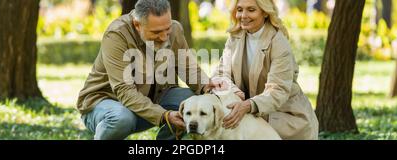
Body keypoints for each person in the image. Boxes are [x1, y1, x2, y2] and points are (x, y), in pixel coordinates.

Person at [76, 0, 216, 140]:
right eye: (156, 32)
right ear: (137, 25)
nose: (164, 37)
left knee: (193, 102)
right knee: (121, 118)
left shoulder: (175, 29)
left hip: (152, 100)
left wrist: (207, 88)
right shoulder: (116, 35)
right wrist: (164, 116)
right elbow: (124, 91)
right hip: (107, 103)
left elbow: (188, 69)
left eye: (167, 30)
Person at [211, 0, 319, 139]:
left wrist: (249, 105)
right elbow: (220, 74)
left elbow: (277, 90)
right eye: (239, 9)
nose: (243, 15)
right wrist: (234, 91)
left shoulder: (278, 42)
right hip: (251, 119)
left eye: (251, 10)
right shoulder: (235, 37)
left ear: (265, 13)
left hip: (284, 120)